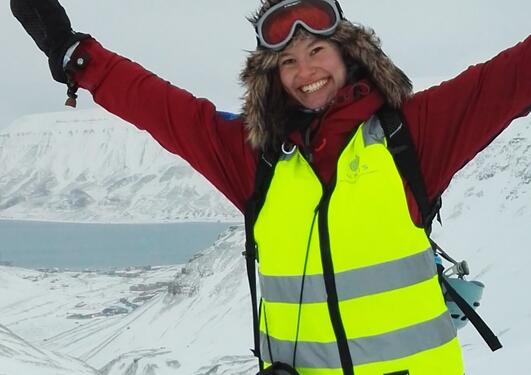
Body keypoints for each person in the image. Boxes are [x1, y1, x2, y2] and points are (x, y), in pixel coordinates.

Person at [10, 0, 531, 374]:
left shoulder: (412, 136)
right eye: (287, 60)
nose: (306, 71)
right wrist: (77, 55)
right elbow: (164, 109)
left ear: (349, 53)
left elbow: (510, 78)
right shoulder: (256, 159)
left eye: (317, 50)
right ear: (272, 77)